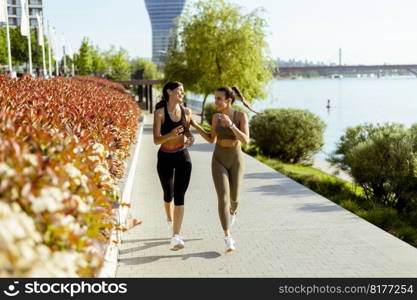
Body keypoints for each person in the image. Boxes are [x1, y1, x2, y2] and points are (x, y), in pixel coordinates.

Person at [190, 86, 258, 253]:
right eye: (215, 98)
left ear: (228, 100)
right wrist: (194, 125)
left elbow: (246, 140)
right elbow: (211, 139)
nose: (216, 102)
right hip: (218, 159)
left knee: (234, 198)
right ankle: (228, 238)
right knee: (223, 197)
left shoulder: (241, 116)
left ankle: (234, 211)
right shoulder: (215, 117)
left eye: (219, 99)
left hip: (236, 159)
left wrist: (231, 125)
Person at [153, 81, 195, 250]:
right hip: (165, 157)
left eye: (183, 91)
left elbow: (188, 132)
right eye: (179, 90)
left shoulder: (187, 111)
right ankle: (169, 220)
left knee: (179, 195)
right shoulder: (160, 113)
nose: (182, 93)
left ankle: (176, 236)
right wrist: (169, 135)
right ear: (169, 92)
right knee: (168, 194)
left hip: (182, 156)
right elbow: (156, 140)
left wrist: (191, 138)